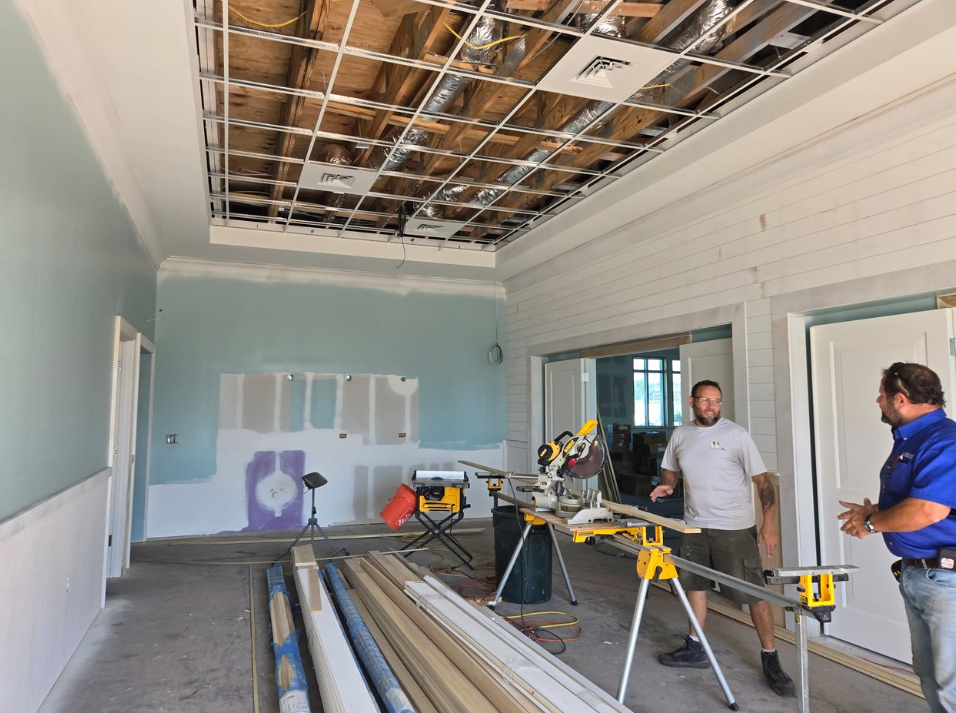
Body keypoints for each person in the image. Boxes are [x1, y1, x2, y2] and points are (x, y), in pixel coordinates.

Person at [650, 379, 795, 697]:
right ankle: (695, 647)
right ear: (692, 402)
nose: (711, 407)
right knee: (695, 586)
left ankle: (770, 657)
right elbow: (671, 468)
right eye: (705, 400)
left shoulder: (736, 435)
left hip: (734, 528)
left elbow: (763, 482)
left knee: (752, 593)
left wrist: (769, 524)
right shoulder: (681, 434)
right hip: (694, 526)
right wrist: (668, 484)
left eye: (716, 401)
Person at [838, 362, 956, 713]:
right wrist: (874, 511)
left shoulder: (944, 441)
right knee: (930, 674)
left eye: (882, 395)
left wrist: (871, 523)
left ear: (900, 399)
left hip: (946, 582)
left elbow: (927, 511)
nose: (878, 400)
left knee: (950, 683)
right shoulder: (913, 437)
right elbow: (923, 499)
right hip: (920, 576)